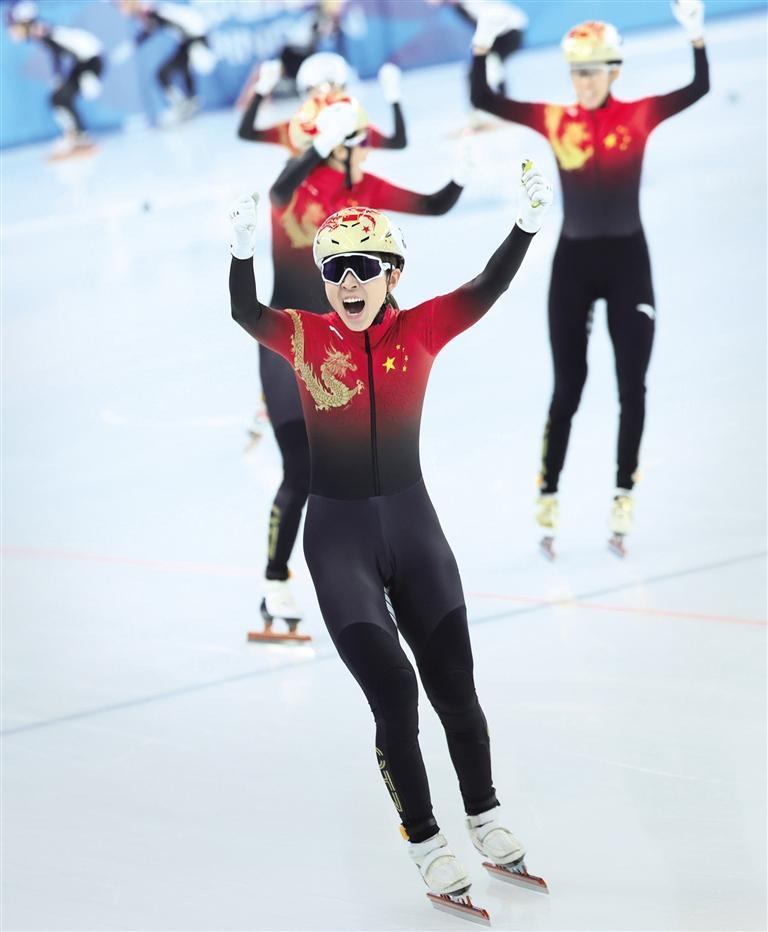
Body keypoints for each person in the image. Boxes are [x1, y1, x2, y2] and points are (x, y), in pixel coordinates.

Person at [228, 159, 553, 902]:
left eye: (363, 268)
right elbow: (247, 314)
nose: (348, 283)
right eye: (333, 270)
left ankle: (485, 817)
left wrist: (526, 226)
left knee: (456, 689)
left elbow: (488, 286)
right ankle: (426, 840)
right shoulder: (303, 335)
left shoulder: (424, 328)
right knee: (397, 694)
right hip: (338, 543)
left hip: (415, 533)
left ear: (391, 272)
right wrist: (243, 251)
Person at [469, 1, 710, 557]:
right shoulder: (556, 121)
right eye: (576, 73)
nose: (583, 82)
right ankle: (548, 492)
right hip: (574, 264)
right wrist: (481, 46)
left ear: (614, 72)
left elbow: (698, 87)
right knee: (568, 387)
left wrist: (696, 37)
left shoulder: (640, 115)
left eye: (593, 72)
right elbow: (485, 98)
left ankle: (623, 493)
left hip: (628, 263)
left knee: (632, 386)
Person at [253, 91, 473, 632]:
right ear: (337, 145)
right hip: (291, 343)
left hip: (345, 348)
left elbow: (433, 205)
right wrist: (318, 147)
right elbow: (278, 192)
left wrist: (461, 175)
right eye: (360, 141)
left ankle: (378, 569)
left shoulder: (364, 192)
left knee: (368, 462)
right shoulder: (297, 185)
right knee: (300, 467)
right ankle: (275, 580)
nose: (370, 148)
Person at [237, 52, 407, 153]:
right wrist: (261, 90)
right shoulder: (296, 130)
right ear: (307, 93)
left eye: (333, 87)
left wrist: (394, 97)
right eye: (317, 90)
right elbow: (247, 133)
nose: (326, 96)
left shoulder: (355, 130)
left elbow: (397, 143)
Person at [5, 0, 104, 158]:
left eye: (13, 26)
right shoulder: (41, 30)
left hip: (89, 61)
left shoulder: (41, 30)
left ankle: (80, 137)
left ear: (24, 22)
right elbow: (58, 53)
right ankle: (78, 135)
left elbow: (62, 52)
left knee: (59, 98)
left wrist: (86, 74)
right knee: (58, 98)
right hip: (84, 61)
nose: (12, 31)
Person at [111, 0, 216, 126]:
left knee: (175, 70)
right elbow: (151, 29)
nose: (120, 10)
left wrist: (199, 43)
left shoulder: (150, 10)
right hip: (188, 39)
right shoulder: (148, 12)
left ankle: (187, 103)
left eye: (121, 5)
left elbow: (164, 24)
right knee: (165, 73)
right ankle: (187, 103)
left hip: (195, 37)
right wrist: (130, 47)